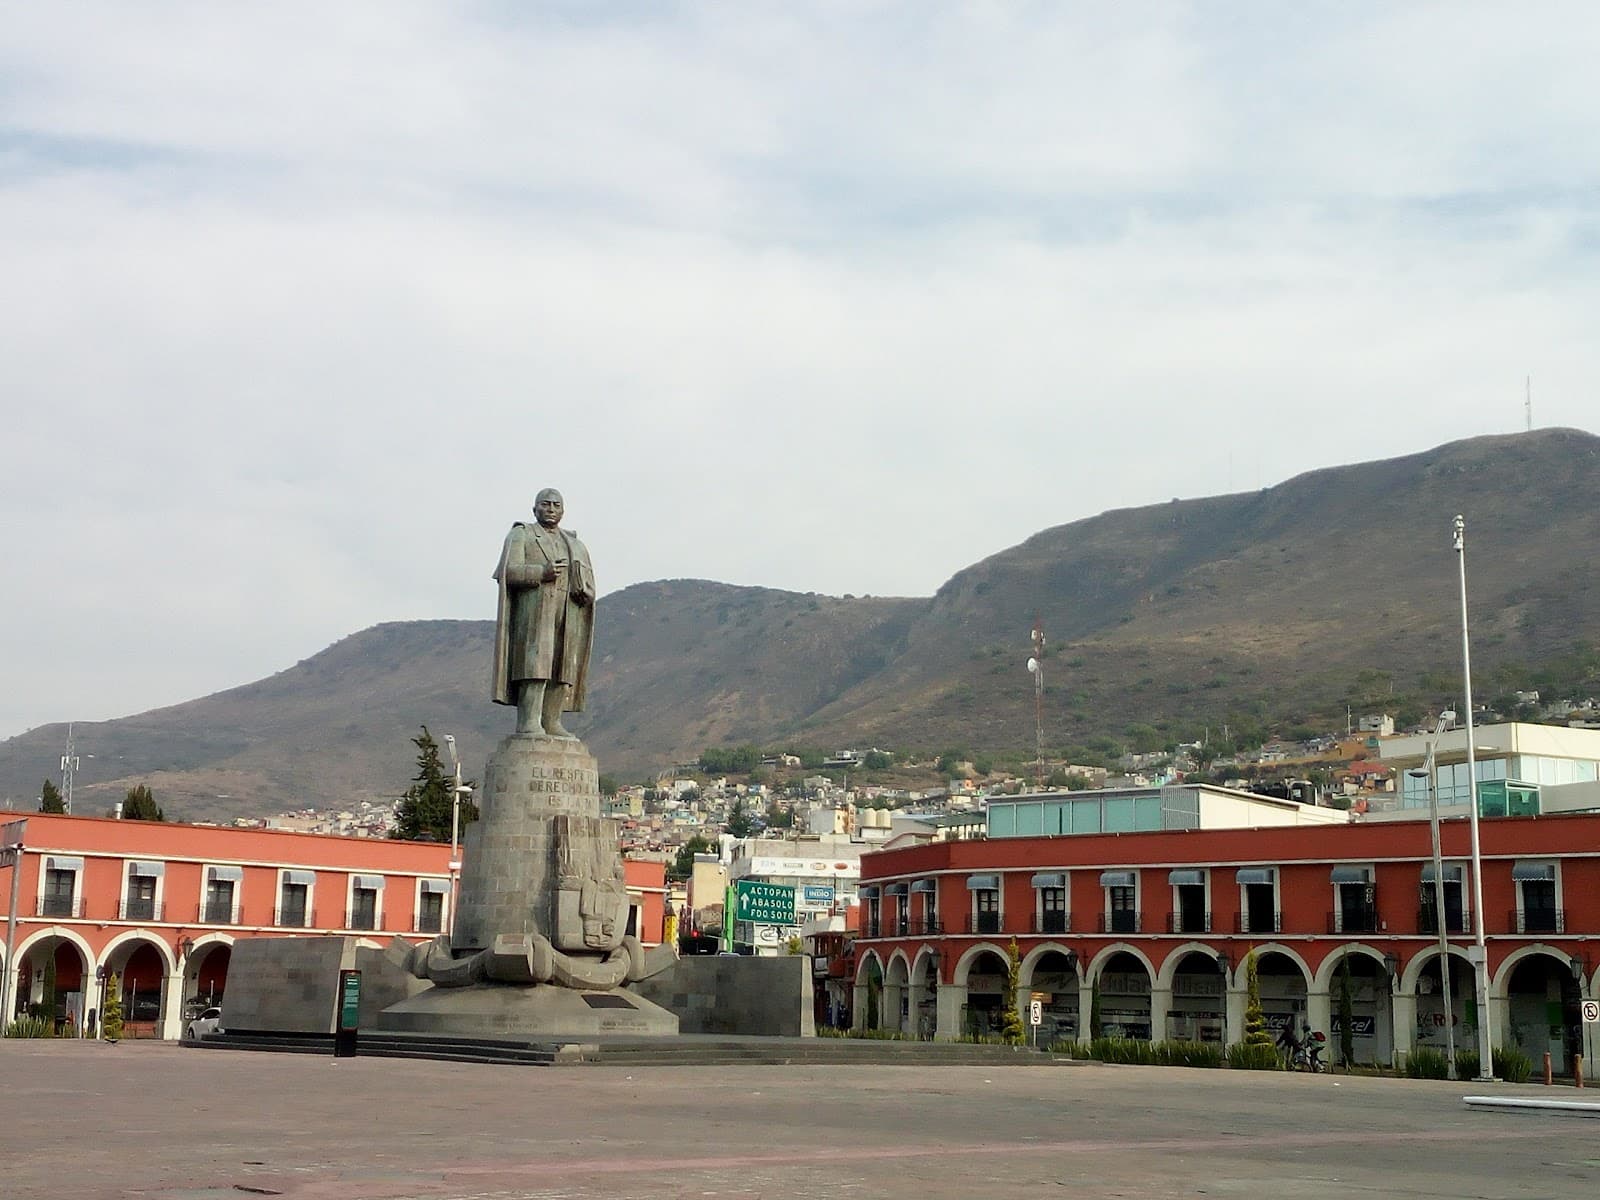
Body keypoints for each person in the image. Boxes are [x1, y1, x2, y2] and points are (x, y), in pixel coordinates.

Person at [491, 488, 596, 736]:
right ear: (534, 509)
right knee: (535, 664)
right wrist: (540, 573)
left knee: (563, 665)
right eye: (545, 504)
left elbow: (588, 578)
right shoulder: (522, 535)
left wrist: (587, 592)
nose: (551, 509)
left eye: (556, 505)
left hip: (569, 610)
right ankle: (529, 721)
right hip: (535, 609)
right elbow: (508, 572)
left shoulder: (575, 544)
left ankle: (552, 720)